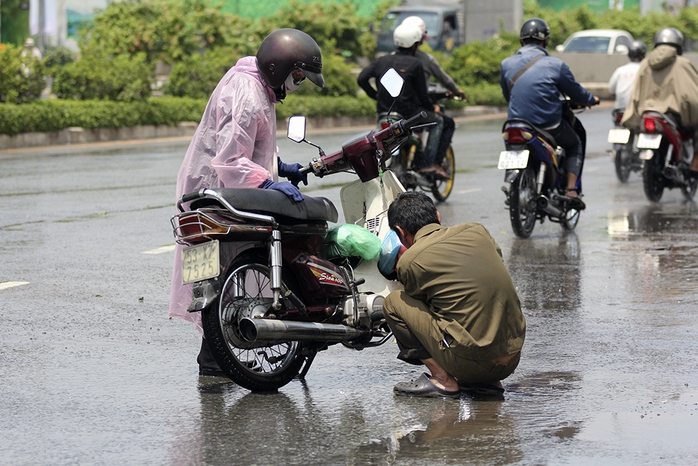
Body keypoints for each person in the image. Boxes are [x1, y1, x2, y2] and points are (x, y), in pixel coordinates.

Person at [169, 28, 325, 376]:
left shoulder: (258, 86)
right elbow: (231, 158)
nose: (297, 84)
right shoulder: (248, 92)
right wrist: (269, 180)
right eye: (297, 76)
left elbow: (254, 142)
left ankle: (214, 358)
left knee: (220, 273)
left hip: (219, 188)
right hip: (217, 189)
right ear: (279, 66)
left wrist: (279, 165)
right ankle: (214, 358)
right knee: (219, 272)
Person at [382, 191, 526, 398]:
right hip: (512, 358)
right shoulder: (478, 231)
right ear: (438, 217)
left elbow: (421, 305)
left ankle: (443, 379)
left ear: (400, 232)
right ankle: (490, 382)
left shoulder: (411, 260)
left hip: (470, 365)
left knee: (394, 302)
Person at [500, 18, 599, 205]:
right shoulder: (556, 66)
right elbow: (577, 93)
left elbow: (508, 94)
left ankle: (511, 180)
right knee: (575, 143)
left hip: (515, 124)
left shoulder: (506, 64)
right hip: (549, 126)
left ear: (521, 41)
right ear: (545, 41)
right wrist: (591, 99)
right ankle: (571, 190)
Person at [357, 23, 453, 179]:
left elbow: (361, 78)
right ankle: (428, 164)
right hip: (408, 114)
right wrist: (431, 107)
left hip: (384, 113)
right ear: (415, 44)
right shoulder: (415, 64)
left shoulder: (382, 60)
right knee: (439, 121)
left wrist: (375, 96)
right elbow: (422, 95)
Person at [621, 27, 698, 174]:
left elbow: (636, 93)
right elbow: (693, 94)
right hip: (673, 116)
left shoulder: (645, 64)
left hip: (648, 113)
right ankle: (695, 164)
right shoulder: (682, 64)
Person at [399, 15, 466, 100]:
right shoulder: (425, 60)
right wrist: (456, 91)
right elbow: (443, 79)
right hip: (417, 107)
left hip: (391, 106)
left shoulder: (388, 60)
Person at [608, 41, 646, 111]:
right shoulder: (645, 70)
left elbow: (611, 90)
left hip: (619, 109)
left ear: (628, 55)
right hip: (638, 110)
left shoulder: (620, 70)